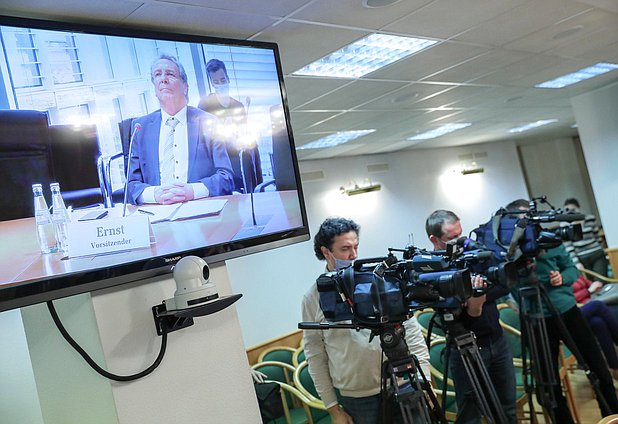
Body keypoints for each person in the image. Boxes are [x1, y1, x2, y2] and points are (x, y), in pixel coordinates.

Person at [301, 217, 430, 424]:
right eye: (345, 249)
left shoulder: (380, 281)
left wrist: (425, 382)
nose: (353, 255)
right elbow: (315, 355)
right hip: (358, 398)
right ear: (326, 252)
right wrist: (333, 409)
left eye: (356, 247)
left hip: (402, 381)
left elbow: (412, 333)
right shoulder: (313, 297)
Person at [507, 198, 618, 422]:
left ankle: (612, 416)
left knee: (598, 370)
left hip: (566, 310)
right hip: (535, 317)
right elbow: (503, 284)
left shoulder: (550, 240)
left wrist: (561, 278)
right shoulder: (507, 249)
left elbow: (571, 269)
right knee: (548, 385)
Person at [425, 210, 517, 424]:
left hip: (497, 341)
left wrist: (477, 297)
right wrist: (474, 301)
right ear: (434, 240)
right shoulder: (432, 268)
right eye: (451, 238)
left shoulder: (472, 254)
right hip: (463, 348)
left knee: (507, 411)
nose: (460, 241)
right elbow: (447, 309)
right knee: (470, 417)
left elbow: (502, 285)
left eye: (461, 233)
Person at [127, 54, 234, 205]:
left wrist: (192, 191)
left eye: (170, 74)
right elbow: (131, 186)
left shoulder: (209, 122)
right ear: (155, 88)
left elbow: (226, 178)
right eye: (157, 75)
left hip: (201, 209)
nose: (163, 79)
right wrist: (154, 195)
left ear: (185, 87)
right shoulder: (140, 128)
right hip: (156, 212)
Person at [198, 58, 262, 193]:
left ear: (228, 79)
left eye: (222, 80)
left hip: (236, 160)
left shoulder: (238, 106)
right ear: (211, 83)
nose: (220, 84)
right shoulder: (205, 105)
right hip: (217, 165)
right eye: (216, 82)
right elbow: (201, 139)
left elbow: (244, 133)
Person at [571, 274, 618, 379]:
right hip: (575, 311)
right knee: (598, 305)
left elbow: (588, 283)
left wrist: (593, 286)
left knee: (598, 323)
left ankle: (615, 368)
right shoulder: (556, 277)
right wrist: (588, 291)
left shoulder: (570, 269)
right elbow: (569, 300)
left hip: (590, 306)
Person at [563, 197, 609, 276]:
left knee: (601, 280)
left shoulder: (590, 218)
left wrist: (603, 250)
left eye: (573, 209)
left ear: (578, 208)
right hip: (581, 257)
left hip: (596, 253)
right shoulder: (565, 224)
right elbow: (569, 247)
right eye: (567, 210)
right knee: (591, 283)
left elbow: (597, 237)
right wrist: (576, 262)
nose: (570, 212)